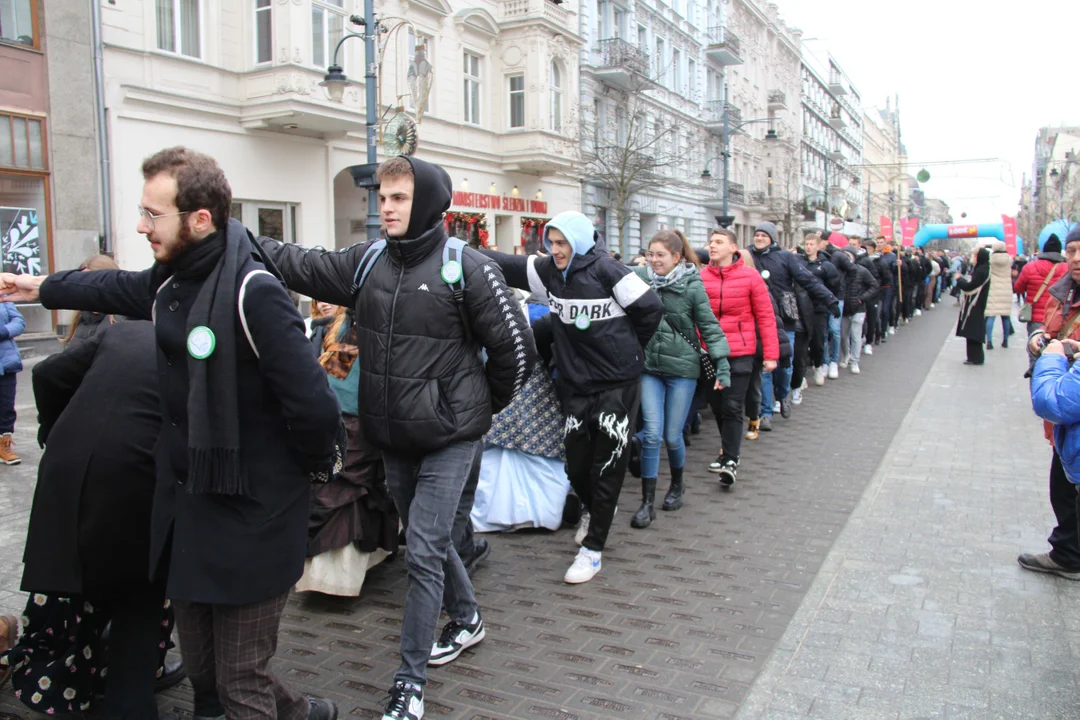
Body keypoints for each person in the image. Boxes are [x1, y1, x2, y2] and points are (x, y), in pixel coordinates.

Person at [0, 146, 343, 720]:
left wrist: (294, 493)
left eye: (153, 214)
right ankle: (306, 713)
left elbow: (315, 411)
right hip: (190, 510)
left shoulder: (253, 291)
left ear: (200, 219)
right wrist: (40, 287)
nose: (141, 225)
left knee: (238, 682)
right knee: (208, 673)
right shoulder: (171, 281)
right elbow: (111, 289)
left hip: (254, 515)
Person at [253, 155, 533, 720]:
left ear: (427, 202)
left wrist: (477, 409)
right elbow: (298, 262)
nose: (386, 206)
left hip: (451, 436)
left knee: (423, 549)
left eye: (399, 197)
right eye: (382, 196)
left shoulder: (468, 267)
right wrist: (235, 235)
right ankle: (469, 617)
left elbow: (516, 351)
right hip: (393, 436)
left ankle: (408, 684)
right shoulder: (367, 262)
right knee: (424, 539)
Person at [10, 321, 201, 719]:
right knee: (138, 602)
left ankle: (62, 689)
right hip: (138, 480)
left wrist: (54, 425)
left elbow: (47, 373)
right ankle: (127, 699)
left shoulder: (125, 332)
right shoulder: (210, 342)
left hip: (67, 471)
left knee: (73, 586)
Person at [482, 210, 663, 583]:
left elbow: (650, 310)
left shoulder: (608, 271)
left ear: (579, 241)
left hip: (617, 383)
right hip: (576, 384)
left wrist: (627, 351)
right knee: (577, 464)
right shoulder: (549, 272)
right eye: (552, 242)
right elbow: (507, 264)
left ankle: (592, 550)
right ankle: (594, 508)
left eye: (563, 242)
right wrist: (454, 249)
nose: (556, 250)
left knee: (608, 463)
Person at [629, 231, 729, 528]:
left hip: (683, 369)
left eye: (660, 255)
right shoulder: (639, 280)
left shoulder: (692, 286)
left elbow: (709, 327)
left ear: (677, 258)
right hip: (649, 368)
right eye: (650, 254)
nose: (654, 260)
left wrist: (721, 365)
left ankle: (677, 484)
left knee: (673, 436)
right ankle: (647, 502)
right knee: (651, 435)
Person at [297, 306, 399, 597]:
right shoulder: (347, 323)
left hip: (359, 419)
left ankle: (339, 577)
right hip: (348, 417)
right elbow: (337, 372)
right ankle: (332, 577)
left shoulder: (359, 321)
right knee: (341, 489)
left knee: (349, 490)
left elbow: (339, 374)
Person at [1020, 226, 1080, 580]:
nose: (1076, 258)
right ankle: (1068, 551)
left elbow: (1057, 401)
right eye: (1072, 251)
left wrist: (1064, 352)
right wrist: (1040, 339)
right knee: (1063, 485)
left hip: (1068, 403)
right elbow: (1050, 330)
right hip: (1065, 419)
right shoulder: (1064, 291)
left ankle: (1069, 555)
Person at [700, 229, 778, 485]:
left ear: (733, 248)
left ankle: (731, 458)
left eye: (719, 242)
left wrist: (770, 355)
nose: (712, 246)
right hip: (709, 353)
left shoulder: (750, 276)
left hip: (740, 352)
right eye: (711, 242)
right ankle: (726, 451)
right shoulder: (701, 277)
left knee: (733, 405)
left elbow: (766, 317)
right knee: (718, 405)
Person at [749, 222, 838, 424]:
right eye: (757, 235)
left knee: (784, 366)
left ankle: (783, 394)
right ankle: (766, 412)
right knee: (765, 367)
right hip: (759, 319)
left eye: (764, 235)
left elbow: (808, 280)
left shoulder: (785, 257)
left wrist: (830, 299)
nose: (760, 238)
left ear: (772, 238)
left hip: (785, 318)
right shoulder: (748, 255)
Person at [802, 231, 842, 384]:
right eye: (806, 244)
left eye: (811, 244)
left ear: (818, 246)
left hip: (819, 309)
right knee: (802, 342)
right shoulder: (799, 263)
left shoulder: (827, 266)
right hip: (802, 308)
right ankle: (801, 374)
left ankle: (819, 365)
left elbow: (834, 286)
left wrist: (831, 302)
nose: (808, 247)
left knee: (818, 340)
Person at [64, 255, 121, 350]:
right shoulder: (80, 319)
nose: (89, 291)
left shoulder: (124, 321)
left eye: (95, 283)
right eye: (84, 285)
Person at [839, 246, 880, 374]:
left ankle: (855, 361)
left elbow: (874, 285)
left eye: (848, 256)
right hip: (844, 308)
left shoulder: (862, 271)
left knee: (856, 335)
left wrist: (862, 298)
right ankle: (846, 355)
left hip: (859, 308)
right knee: (842, 335)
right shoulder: (840, 271)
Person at [1015, 235, 1067, 335]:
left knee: (1035, 347)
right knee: (1057, 348)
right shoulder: (1067, 269)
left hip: (1035, 319)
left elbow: (1018, 288)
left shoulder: (1029, 267)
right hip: (1059, 319)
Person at [954, 247, 991, 365]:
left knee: (973, 329)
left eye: (974, 256)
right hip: (978, 302)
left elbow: (971, 286)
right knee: (972, 329)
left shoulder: (981, 270)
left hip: (975, 303)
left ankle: (976, 357)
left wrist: (959, 280)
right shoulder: (983, 268)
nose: (972, 258)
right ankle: (973, 356)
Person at [0, 300, 24, 465]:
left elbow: (19, 322)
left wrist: (3, 331)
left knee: (6, 406)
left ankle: (4, 445)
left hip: (6, 361)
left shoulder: (3, 297)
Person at [984, 241, 1015, 350]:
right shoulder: (1009, 259)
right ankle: (1005, 340)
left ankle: (989, 341)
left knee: (991, 315)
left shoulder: (990, 260)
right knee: (1006, 316)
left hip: (993, 289)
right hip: (1006, 289)